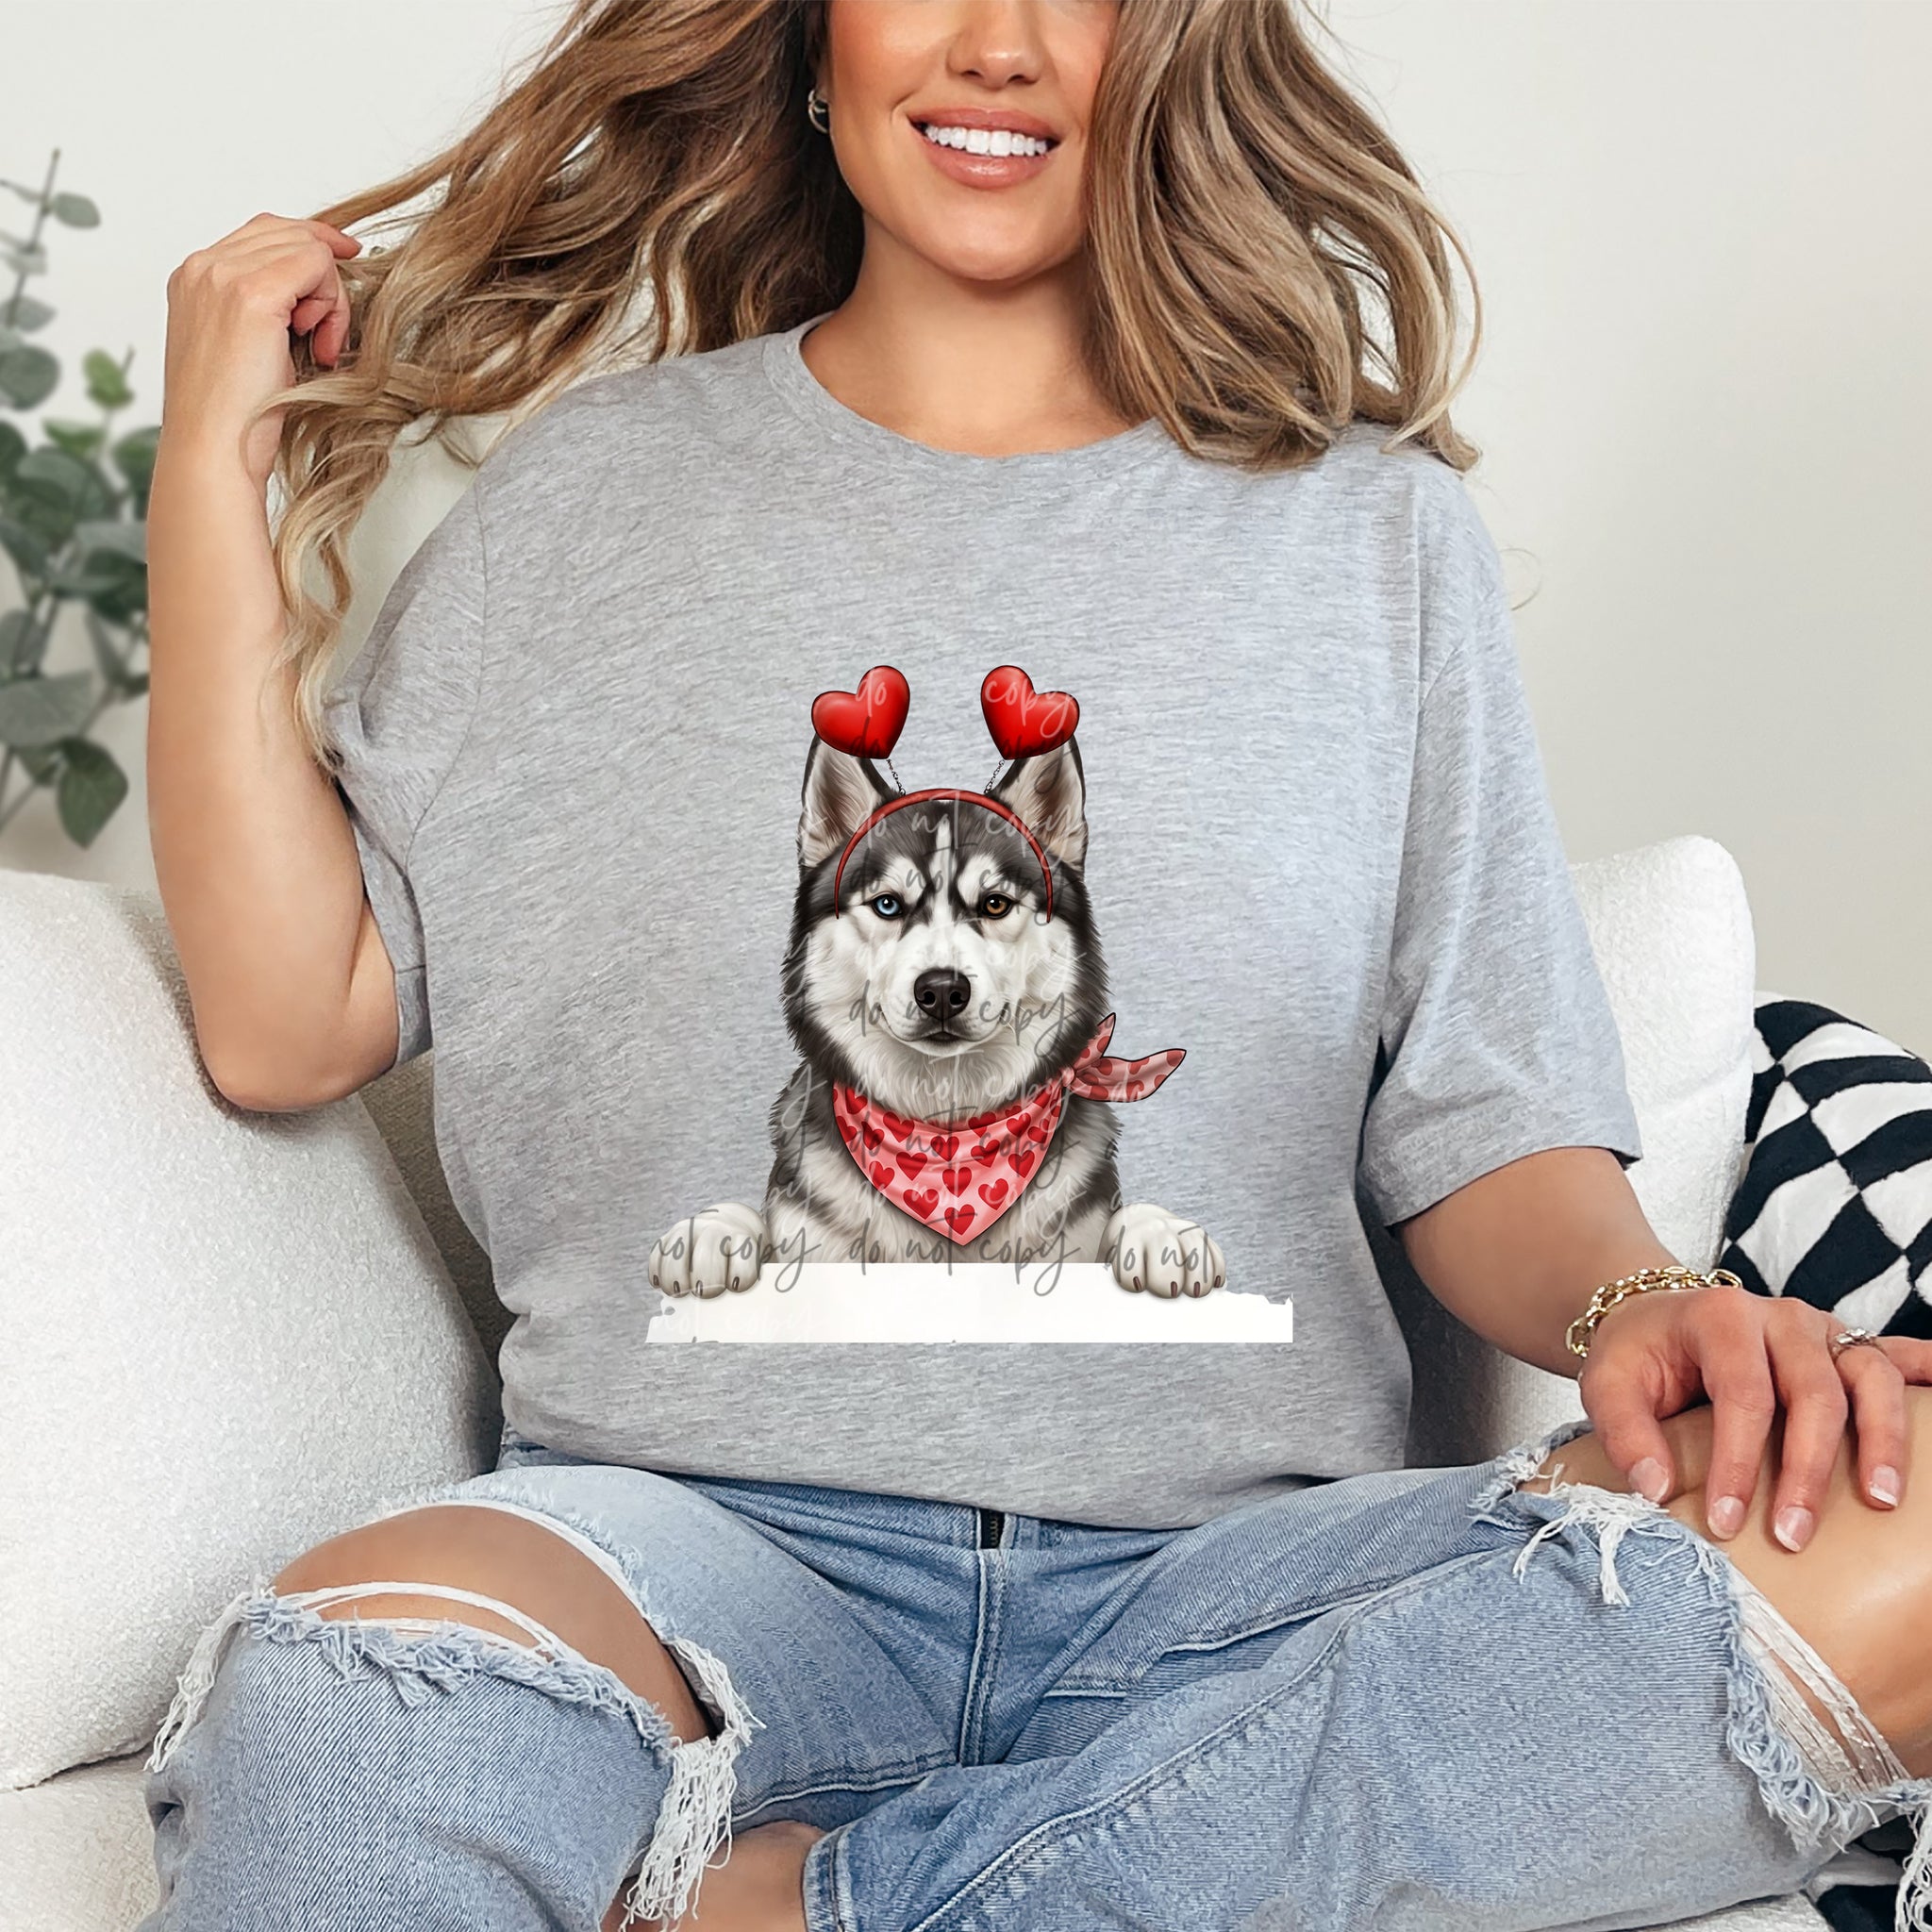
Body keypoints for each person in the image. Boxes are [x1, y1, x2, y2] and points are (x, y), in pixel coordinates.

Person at [140, 2, 1932, 1927]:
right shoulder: (584, 498)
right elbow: (285, 1015)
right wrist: (213, 459)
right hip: (688, 1557)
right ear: (814, 40)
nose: (997, 43)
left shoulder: (1376, 539)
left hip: (1238, 1598)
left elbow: (1484, 1123)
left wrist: (1639, 1300)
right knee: (349, 1699)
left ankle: (798, 1908)